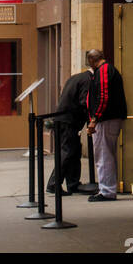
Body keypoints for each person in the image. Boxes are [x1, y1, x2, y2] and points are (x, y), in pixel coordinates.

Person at [85, 49, 127, 202]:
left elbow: (103, 96)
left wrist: (94, 119)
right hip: (109, 118)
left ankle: (107, 190)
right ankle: (107, 188)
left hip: (105, 119)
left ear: (91, 60)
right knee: (106, 153)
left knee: (104, 154)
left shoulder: (103, 70)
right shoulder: (108, 69)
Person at [46, 68, 93, 196]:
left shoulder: (75, 77)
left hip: (64, 118)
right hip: (70, 120)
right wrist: (92, 118)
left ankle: (73, 183)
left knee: (73, 151)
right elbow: (85, 102)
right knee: (67, 152)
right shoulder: (88, 80)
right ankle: (54, 183)